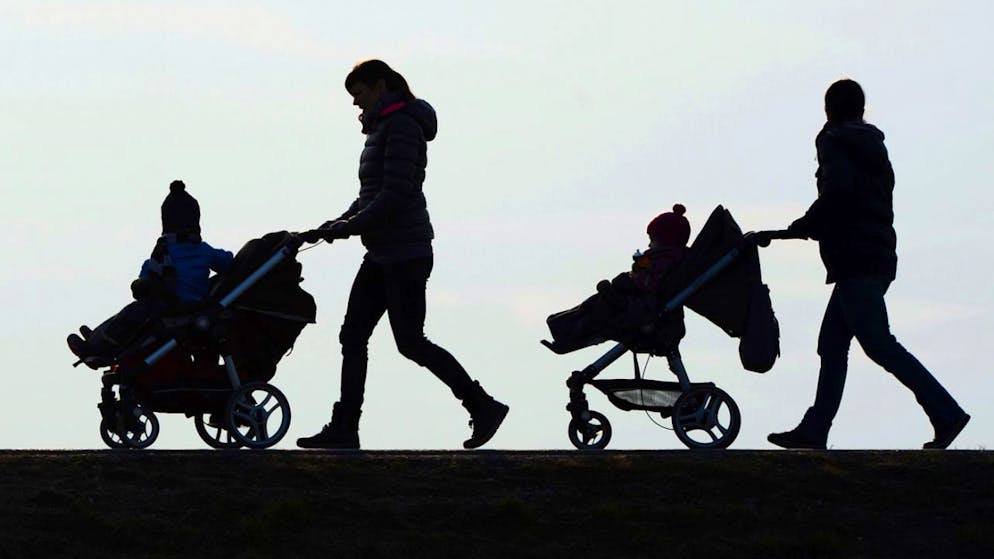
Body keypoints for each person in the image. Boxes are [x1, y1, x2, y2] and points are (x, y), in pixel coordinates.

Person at [296, 59, 508, 450]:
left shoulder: (404, 126)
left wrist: (348, 227)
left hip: (406, 253)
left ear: (381, 86)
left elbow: (395, 195)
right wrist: (336, 223)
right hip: (382, 252)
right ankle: (345, 427)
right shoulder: (381, 129)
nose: (355, 104)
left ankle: (482, 405)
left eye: (359, 94)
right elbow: (370, 195)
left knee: (410, 342)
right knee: (353, 335)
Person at [767, 79, 969, 450]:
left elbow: (838, 193)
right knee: (832, 343)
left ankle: (946, 412)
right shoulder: (873, 145)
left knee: (877, 343)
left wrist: (802, 227)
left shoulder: (834, 142)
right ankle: (815, 428)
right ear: (861, 108)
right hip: (876, 253)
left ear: (828, 109)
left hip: (855, 258)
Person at [67, 180, 234, 364]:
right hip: (195, 306)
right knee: (133, 316)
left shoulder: (163, 252)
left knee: (129, 315)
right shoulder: (203, 250)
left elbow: (146, 276)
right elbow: (227, 261)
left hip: (170, 308)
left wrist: (142, 284)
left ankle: (98, 344)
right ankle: (98, 339)